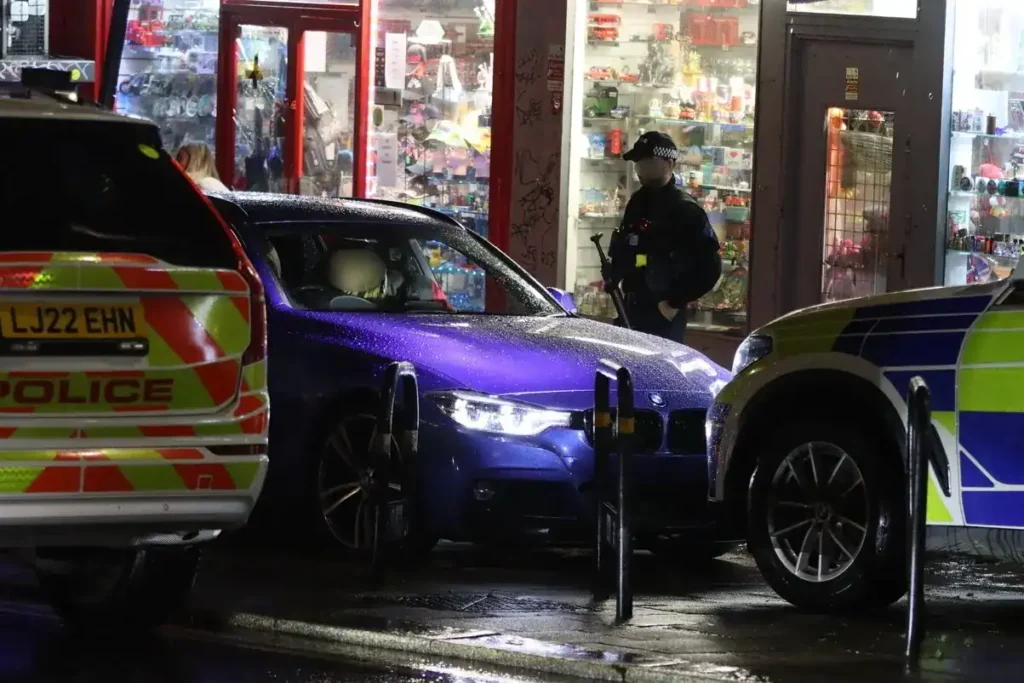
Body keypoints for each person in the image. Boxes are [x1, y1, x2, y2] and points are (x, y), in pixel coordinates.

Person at [603, 131, 722, 343]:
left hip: (662, 315)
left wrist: (673, 303)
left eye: (648, 163)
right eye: (639, 164)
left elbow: (710, 267)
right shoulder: (638, 201)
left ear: (668, 164)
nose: (641, 170)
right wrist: (616, 272)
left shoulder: (685, 209)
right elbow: (629, 245)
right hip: (630, 308)